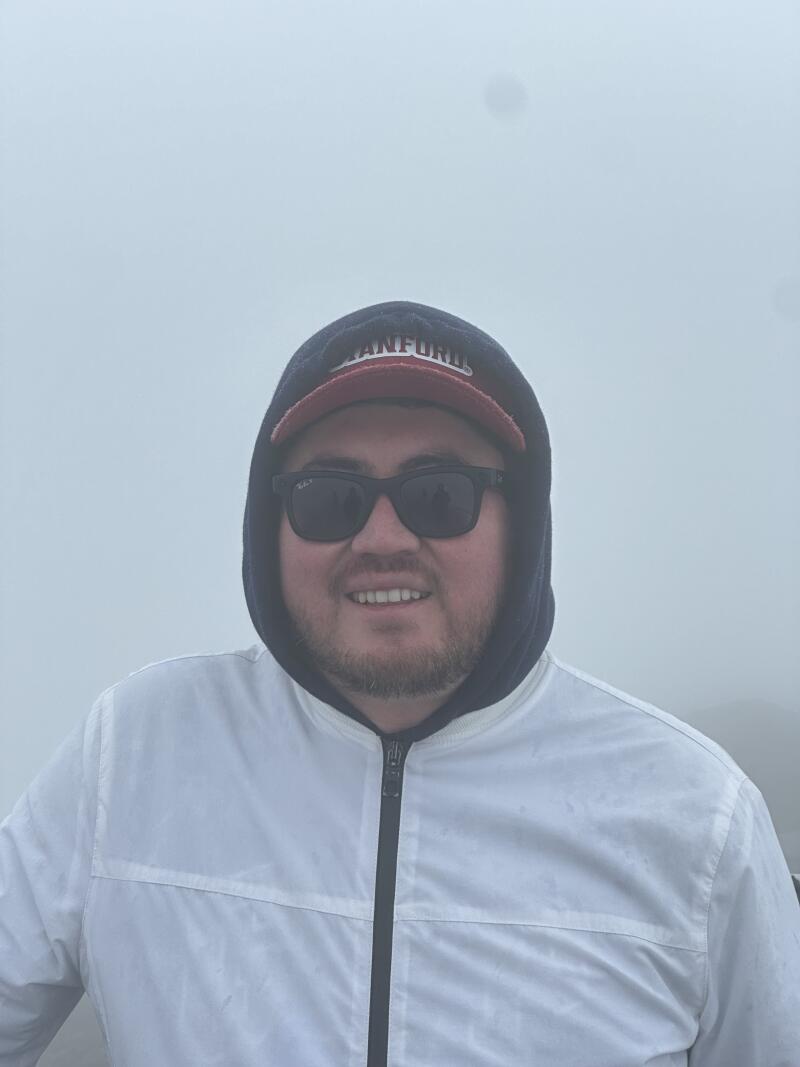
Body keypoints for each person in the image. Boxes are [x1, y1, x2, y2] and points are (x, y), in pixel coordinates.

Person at [1, 300, 798, 1066]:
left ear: (520, 522)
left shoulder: (697, 818)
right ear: (268, 527)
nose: (383, 537)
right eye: (329, 497)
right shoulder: (134, 754)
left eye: (439, 494)